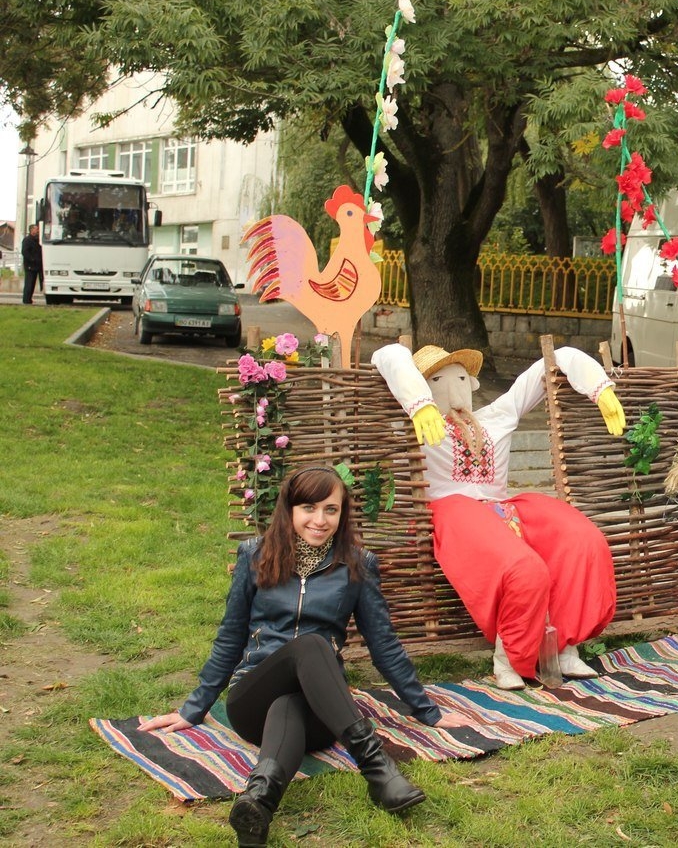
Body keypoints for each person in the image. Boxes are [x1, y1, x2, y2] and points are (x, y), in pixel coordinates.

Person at [139, 465, 468, 847]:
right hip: (253, 699)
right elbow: (230, 637)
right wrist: (193, 709)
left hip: (321, 712)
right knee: (311, 645)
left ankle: (257, 804)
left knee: (291, 701)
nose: (319, 520)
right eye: (309, 508)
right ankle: (377, 769)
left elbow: (384, 644)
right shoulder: (255, 555)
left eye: (331, 509)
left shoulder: (358, 564)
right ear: (290, 510)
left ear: (342, 513)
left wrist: (428, 711)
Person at [373, 343, 625, 690]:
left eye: (461, 378)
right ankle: (509, 657)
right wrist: (419, 404)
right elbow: (387, 354)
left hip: (502, 508)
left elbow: (555, 359)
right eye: (437, 380)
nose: (453, 388)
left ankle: (565, 645)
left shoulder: (497, 415)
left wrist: (599, 387)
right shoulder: (420, 424)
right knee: (522, 567)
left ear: (473, 383)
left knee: (582, 540)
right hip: (452, 511)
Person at [20, 224, 42, 305]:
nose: (37, 231)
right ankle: (26, 299)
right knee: (29, 283)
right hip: (30, 266)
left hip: (36, 266)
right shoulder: (27, 240)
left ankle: (29, 299)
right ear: (31, 230)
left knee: (32, 284)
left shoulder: (37, 240)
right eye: (36, 229)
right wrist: (32, 259)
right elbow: (24, 252)